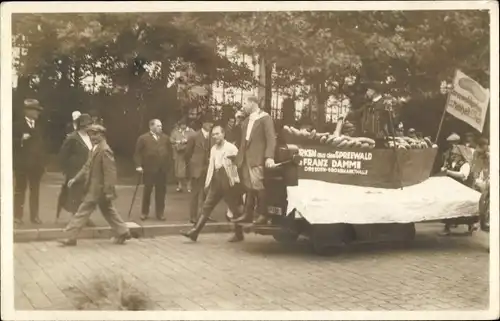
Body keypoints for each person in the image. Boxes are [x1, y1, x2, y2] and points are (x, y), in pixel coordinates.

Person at [58, 124, 131, 246]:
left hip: (98, 189)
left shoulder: (104, 150)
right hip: (95, 188)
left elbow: (110, 173)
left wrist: (109, 190)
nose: (91, 137)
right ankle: (123, 231)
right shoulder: (95, 148)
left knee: (82, 211)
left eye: (94, 134)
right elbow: (87, 166)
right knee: (108, 211)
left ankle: (70, 237)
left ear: (101, 135)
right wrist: (75, 179)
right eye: (90, 134)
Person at [181, 125, 244, 242]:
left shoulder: (231, 148)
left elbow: (238, 165)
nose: (215, 136)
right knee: (207, 206)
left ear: (223, 134)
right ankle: (195, 232)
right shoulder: (213, 149)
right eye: (213, 134)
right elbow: (211, 167)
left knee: (234, 208)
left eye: (218, 134)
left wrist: (235, 181)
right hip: (216, 181)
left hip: (228, 180)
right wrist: (207, 182)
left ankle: (239, 234)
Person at [231, 96, 277, 226]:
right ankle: (248, 213)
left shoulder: (265, 118)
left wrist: (269, 156)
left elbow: (271, 138)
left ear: (252, 103)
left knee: (257, 185)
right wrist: (237, 120)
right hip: (245, 158)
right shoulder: (245, 121)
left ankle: (263, 213)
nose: (243, 106)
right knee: (249, 186)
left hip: (257, 158)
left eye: (245, 103)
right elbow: (241, 140)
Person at [56, 113, 95, 226]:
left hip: (88, 170)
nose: (90, 127)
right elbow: (63, 155)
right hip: (75, 171)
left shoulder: (90, 137)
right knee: (75, 195)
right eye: (87, 125)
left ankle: (85, 218)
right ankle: (75, 219)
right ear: (82, 125)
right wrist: (67, 170)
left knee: (86, 194)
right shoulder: (72, 138)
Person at [13, 99, 46, 225]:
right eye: (35, 110)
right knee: (20, 190)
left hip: (36, 166)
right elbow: (9, 142)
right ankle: (17, 216)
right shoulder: (17, 125)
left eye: (38, 110)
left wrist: (43, 164)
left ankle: (34, 216)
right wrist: (21, 139)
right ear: (27, 111)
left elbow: (42, 147)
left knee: (35, 191)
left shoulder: (39, 126)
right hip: (22, 165)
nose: (37, 113)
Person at [439, 133, 477, 236]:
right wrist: (443, 169)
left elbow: (462, 175)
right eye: (453, 155)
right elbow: (445, 169)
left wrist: (448, 172)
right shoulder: (450, 161)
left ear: (460, 155)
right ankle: (447, 228)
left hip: (462, 189)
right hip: (451, 190)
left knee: (465, 209)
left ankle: (471, 225)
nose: (453, 156)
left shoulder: (465, 164)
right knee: (448, 207)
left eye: (455, 155)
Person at [134, 119, 171, 221]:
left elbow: (169, 153)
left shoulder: (165, 138)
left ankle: (160, 213)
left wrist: (168, 166)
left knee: (161, 192)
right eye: (158, 126)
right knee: (147, 191)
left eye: (161, 126)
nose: (160, 128)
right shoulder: (143, 138)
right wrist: (138, 165)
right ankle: (144, 212)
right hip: (149, 169)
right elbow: (137, 153)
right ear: (151, 127)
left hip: (162, 169)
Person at [185, 114, 214, 224]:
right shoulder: (194, 136)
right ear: (203, 123)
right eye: (208, 123)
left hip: (209, 168)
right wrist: (192, 166)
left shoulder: (213, 137)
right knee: (195, 193)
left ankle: (205, 215)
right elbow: (187, 154)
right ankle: (193, 216)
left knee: (207, 193)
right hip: (197, 169)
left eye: (212, 123)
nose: (211, 125)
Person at [170, 119, 194, 192]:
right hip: (179, 153)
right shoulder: (175, 131)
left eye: (184, 124)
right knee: (179, 170)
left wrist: (187, 141)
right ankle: (180, 185)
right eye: (181, 125)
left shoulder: (191, 131)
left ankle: (189, 185)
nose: (183, 126)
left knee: (189, 169)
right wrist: (178, 142)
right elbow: (171, 140)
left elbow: (195, 139)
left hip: (188, 154)